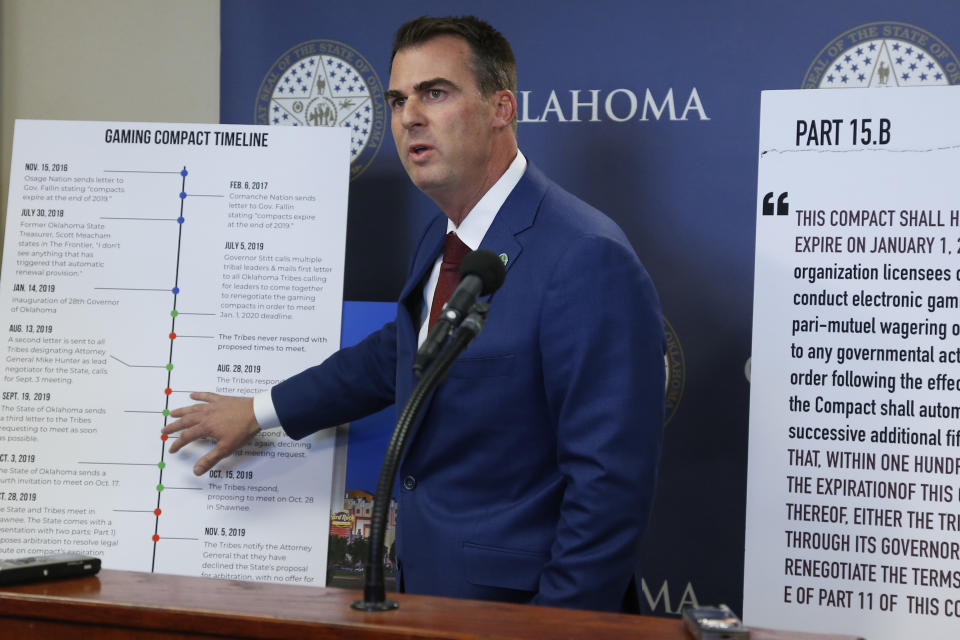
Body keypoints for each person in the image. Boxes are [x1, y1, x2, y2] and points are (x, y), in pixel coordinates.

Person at [164, 15, 665, 612]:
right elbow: (400, 354)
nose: (408, 118)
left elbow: (608, 488)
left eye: (435, 93)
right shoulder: (441, 237)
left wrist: (551, 629)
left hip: (521, 613)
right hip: (427, 597)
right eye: (398, 100)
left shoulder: (586, 256)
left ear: (501, 107)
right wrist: (259, 410)